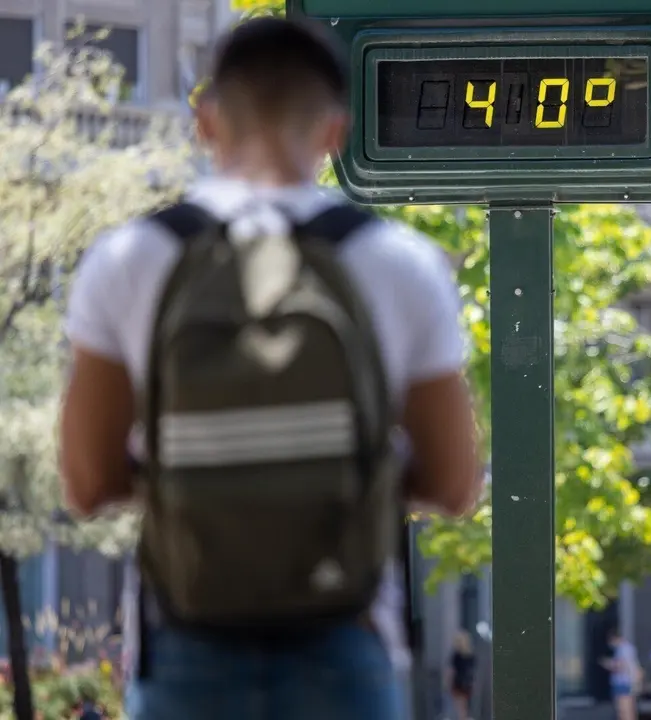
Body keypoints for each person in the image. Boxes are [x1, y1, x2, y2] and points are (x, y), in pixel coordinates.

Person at [59, 16, 479, 720]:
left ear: (205, 121)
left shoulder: (128, 258)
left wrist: (199, 475)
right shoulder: (399, 262)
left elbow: (87, 483)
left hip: (186, 643)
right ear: (335, 131)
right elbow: (454, 483)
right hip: (346, 644)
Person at [601, 628, 641, 720]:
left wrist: (608, 664)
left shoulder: (623, 649)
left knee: (623, 711)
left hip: (623, 683)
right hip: (626, 683)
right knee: (627, 711)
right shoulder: (626, 648)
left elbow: (621, 665)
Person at [447, 630, 476, 720]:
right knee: (463, 704)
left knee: (460, 704)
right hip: (468, 682)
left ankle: (462, 718)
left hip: (458, 682)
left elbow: (452, 671)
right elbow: (472, 670)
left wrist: (448, 682)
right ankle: (463, 717)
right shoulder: (471, 656)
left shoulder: (456, 656)